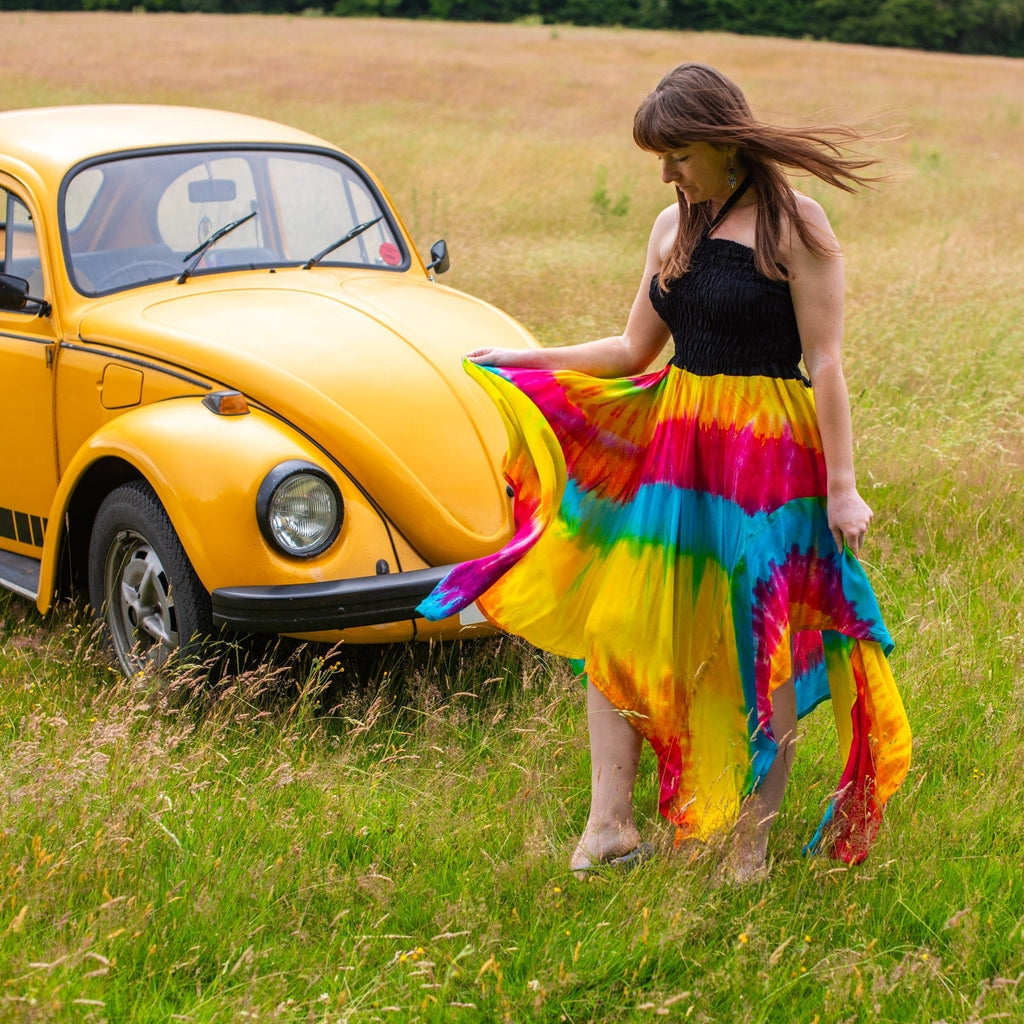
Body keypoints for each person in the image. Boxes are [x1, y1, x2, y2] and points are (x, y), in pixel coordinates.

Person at [418, 62, 911, 882]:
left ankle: (748, 849)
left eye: (677, 154)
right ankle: (608, 828)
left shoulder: (798, 225)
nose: (666, 172)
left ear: (722, 141)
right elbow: (630, 351)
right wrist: (523, 360)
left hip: (766, 457)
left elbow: (825, 362)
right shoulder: (669, 228)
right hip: (679, 452)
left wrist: (843, 486)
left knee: (763, 646)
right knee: (624, 628)